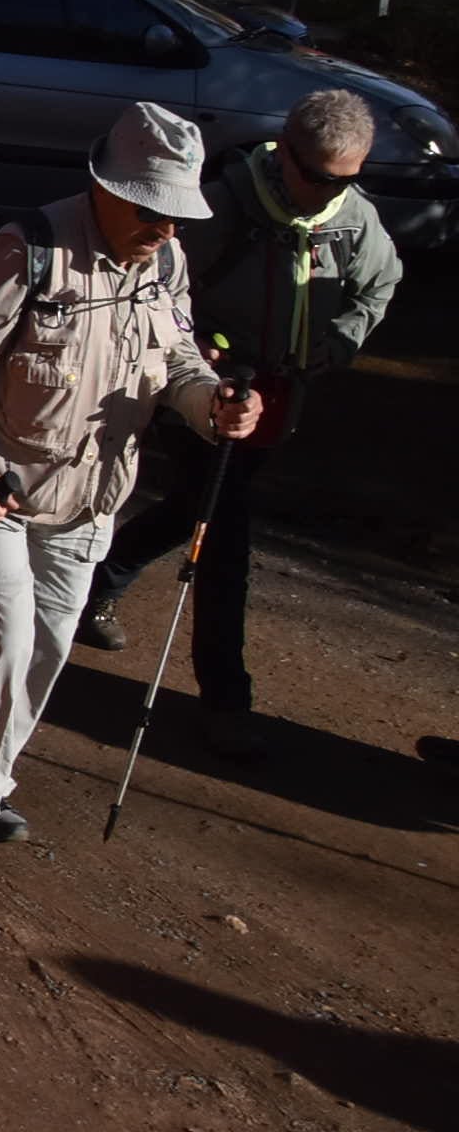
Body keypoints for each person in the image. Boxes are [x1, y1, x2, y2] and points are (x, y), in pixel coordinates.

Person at [0, 103, 260, 877]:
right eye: (153, 209)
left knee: (46, 650)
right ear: (106, 186)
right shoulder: (26, 250)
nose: (168, 228)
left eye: (178, 213)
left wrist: (216, 407)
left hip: (95, 501)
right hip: (1, 491)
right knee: (0, 643)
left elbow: (179, 364)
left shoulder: (166, 266)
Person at [77, 89, 402, 757]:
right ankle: (227, 698)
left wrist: (337, 344)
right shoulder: (227, 202)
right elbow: (160, 277)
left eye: (345, 178)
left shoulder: (354, 219)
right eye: (315, 174)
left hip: (280, 397)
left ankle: (101, 581)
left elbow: (382, 283)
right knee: (224, 540)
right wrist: (197, 350)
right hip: (203, 390)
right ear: (285, 151)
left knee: (199, 506)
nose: (325, 191)